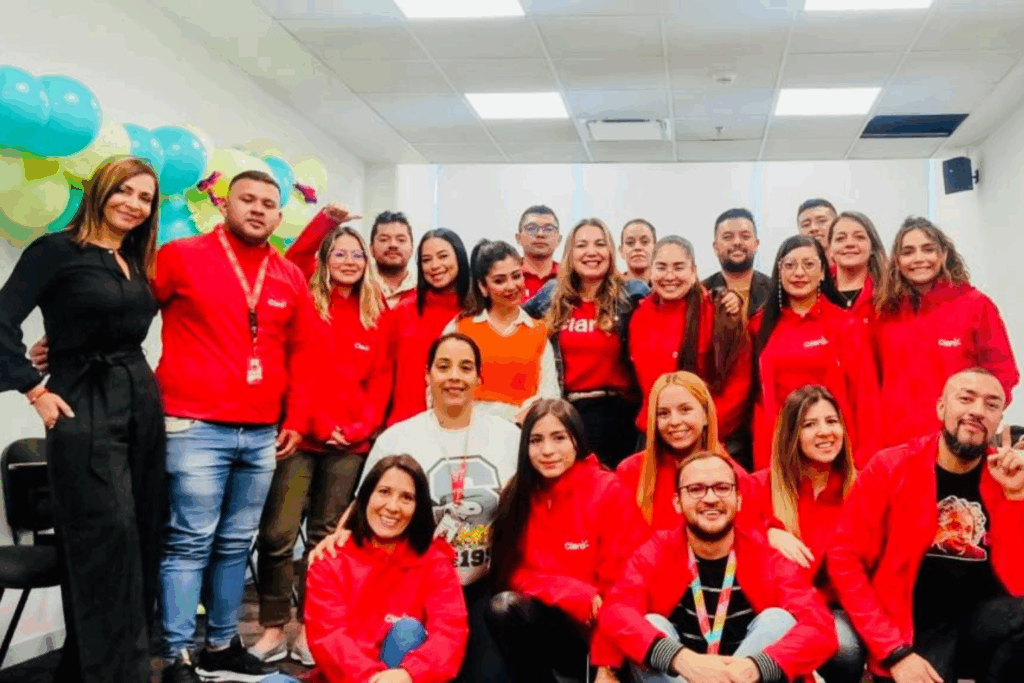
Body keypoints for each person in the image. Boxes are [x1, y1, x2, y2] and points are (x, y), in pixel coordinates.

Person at [0, 157, 164, 683]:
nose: (134, 204)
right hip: (84, 405)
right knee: (105, 543)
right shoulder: (54, 251)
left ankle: (92, 668)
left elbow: (103, 321)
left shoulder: (132, 258)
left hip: (140, 401)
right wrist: (33, 388)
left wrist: (65, 338)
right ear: (99, 190)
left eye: (145, 197)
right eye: (124, 191)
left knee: (142, 537)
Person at [153, 170, 312, 683]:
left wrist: (296, 417)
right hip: (195, 426)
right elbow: (126, 314)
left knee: (236, 544)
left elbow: (302, 352)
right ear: (226, 204)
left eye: (268, 203)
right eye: (248, 199)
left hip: (261, 432)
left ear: (279, 216)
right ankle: (177, 654)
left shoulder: (288, 275)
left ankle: (221, 645)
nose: (258, 209)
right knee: (190, 541)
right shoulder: (181, 256)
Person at [309, 333, 520, 683]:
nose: (454, 376)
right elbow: (367, 503)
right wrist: (336, 539)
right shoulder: (398, 438)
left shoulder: (508, 437)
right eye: (443, 366)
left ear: (479, 378)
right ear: (427, 375)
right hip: (417, 588)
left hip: (481, 585)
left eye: (465, 367)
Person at [250, 224, 397, 666]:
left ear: (367, 262)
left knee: (325, 539)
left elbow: (381, 381)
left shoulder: (377, 312)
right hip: (299, 436)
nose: (349, 261)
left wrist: (358, 429)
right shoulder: (303, 300)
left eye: (357, 254)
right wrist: (324, 224)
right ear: (325, 259)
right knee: (277, 535)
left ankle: (312, 628)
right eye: (339, 253)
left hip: (349, 445)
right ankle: (274, 627)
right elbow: (301, 371)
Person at [827, 368, 1024, 682]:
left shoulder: (1007, 475)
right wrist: (893, 651)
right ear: (941, 407)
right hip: (912, 628)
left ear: (999, 419)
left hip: (986, 622)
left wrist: (1015, 498)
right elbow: (844, 560)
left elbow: (1019, 581)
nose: (977, 410)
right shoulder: (891, 467)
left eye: (991, 404)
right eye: (966, 398)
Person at [594, 450, 838, 683]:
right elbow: (616, 611)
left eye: (722, 488)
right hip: (679, 676)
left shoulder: (765, 555)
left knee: (778, 621)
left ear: (739, 500)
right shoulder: (657, 551)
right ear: (677, 502)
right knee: (651, 624)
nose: (710, 499)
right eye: (696, 489)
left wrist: (757, 667)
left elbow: (820, 627)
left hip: (745, 675)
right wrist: (681, 659)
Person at [486, 399, 649, 683]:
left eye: (559, 438)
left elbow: (624, 588)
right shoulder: (519, 494)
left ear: (578, 441)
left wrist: (607, 665)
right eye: (536, 440)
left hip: (610, 635)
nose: (547, 450)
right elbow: (512, 572)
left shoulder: (609, 491)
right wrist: (569, 592)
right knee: (504, 608)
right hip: (559, 628)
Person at [304, 454, 469, 683]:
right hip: (348, 678)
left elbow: (450, 631)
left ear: (418, 507)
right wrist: (371, 678)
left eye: (406, 498)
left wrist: (410, 674)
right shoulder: (331, 559)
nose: (392, 507)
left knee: (408, 631)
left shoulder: (435, 561)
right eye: (384, 492)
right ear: (365, 497)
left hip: (402, 675)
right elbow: (328, 637)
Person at [747, 385, 865, 682]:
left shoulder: (862, 490)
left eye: (831, 421)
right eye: (809, 424)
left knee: (845, 648)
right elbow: (729, 538)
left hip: (832, 609)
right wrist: (768, 533)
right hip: (773, 608)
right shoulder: (758, 486)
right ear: (791, 435)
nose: (825, 432)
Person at [873, 217, 1018, 449]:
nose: (919, 258)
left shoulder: (976, 305)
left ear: (943, 254)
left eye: (928, 249)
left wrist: (974, 425)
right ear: (897, 261)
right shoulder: (885, 313)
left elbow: (1003, 376)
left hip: (957, 446)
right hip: (897, 447)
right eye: (908, 252)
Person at [524, 218, 649, 469]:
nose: (591, 252)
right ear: (570, 254)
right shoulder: (551, 294)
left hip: (618, 415)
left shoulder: (632, 293)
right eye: (582, 245)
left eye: (600, 244)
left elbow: (672, 306)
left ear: (611, 252)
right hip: (566, 413)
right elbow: (512, 319)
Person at [750, 235, 880, 470]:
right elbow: (759, 404)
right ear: (779, 272)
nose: (799, 273)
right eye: (790, 265)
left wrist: (863, 462)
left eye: (809, 264)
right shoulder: (759, 326)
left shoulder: (844, 325)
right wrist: (765, 465)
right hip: (782, 453)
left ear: (822, 273)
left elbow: (865, 397)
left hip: (833, 450)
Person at [628, 236, 753, 468]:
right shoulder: (639, 317)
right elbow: (645, 386)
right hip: (656, 438)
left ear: (694, 271)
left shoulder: (720, 313)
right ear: (651, 271)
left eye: (679, 267)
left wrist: (701, 428)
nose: (669, 276)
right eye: (661, 267)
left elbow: (739, 385)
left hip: (713, 437)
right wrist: (667, 428)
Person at [617, 372, 756, 531]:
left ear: (705, 415)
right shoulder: (630, 472)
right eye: (663, 413)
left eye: (685, 410)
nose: (675, 421)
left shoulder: (735, 476)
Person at [446, 239, 559, 423]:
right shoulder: (461, 328)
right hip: (469, 426)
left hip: (522, 428)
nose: (511, 286)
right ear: (483, 287)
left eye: (516, 276)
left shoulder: (538, 331)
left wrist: (520, 420)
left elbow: (550, 394)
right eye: (499, 280)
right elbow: (441, 385)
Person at [387, 229, 471, 426]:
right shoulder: (403, 310)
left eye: (443, 256)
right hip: (406, 425)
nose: (434, 266)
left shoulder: (476, 311)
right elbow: (383, 374)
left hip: (461, 424)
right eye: (426, 260)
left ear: (459, 257)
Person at [703, 208, 771, 319]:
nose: (737, 242)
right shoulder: (702, 292)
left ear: (756, 244)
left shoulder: (775, 291)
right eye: (728, 237)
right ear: (715, 247)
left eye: (745, 236)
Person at [827, 211, 886, 325]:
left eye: (859, 237)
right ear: (830, 250)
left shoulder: (891, 294)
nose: (849, 244)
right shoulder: (817, 295)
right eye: (840, 238)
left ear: (872, 247)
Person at [370, 210, 418, 307]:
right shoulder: (356, 286)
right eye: (384, 239)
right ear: (371, 249)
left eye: (401, 240)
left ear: (412, 249)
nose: (393, 245)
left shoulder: (425, 291)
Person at [515, 205, 561, 300]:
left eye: (548, 229)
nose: (540, 234)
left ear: (559, 239)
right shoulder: (506, 277)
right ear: (518, 238)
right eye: (531, 228)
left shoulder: (570, 277)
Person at [620, 218, 656, 285]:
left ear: (656, 249)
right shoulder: (610, 289)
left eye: (645, 242)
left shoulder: (666, 287)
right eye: (630, 242)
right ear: (621, 251)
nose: (637, 247)